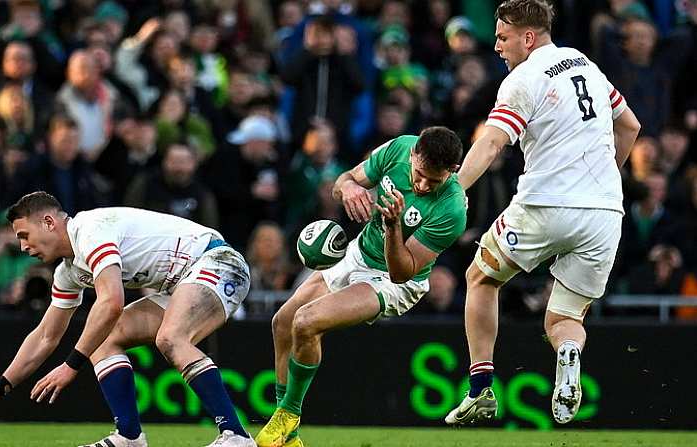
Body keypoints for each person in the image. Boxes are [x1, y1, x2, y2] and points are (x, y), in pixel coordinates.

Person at [443, 0, 641, 426]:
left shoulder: (523, 78)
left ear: (527, 37)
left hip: (544, 206)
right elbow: (631, 127)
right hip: (605, 214)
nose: (496, 46)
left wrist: (454, 190)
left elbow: (493, 142)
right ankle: (569, 355)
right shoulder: (584, 63)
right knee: (564, 318)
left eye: (502, 37)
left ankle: (479, 390)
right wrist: (606, 177)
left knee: (480, 278)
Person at [0, 192, 256, 447]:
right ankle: (129, 437)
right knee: (105, 339)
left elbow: (111, 302)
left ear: (48, 221)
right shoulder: (68, 271)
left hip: (218, 262)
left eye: (24, 235)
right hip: (183, 282)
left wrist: (70, 366)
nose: (23, 247)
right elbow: (45, 335)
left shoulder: (90, 230)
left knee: (169, 337)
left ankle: (236, 436)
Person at [255, 126, 466, 447]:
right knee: (283, 322)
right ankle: (291, 437)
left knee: (307, 322)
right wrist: (350, 188)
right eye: (420, 174)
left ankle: (288, 414)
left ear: (452, 172)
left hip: (396, 281)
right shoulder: (398, 149)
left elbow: (402, 271)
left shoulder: (451, 209)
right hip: (357, 254)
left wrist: (393, 226)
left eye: (434, 181)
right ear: (414, 155)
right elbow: (343, 181)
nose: (423, 185)